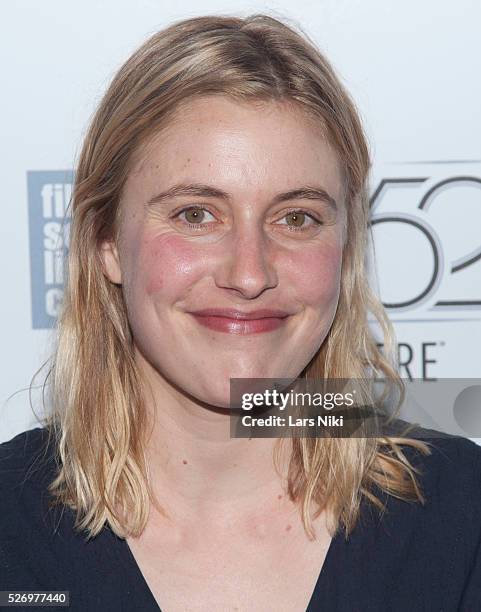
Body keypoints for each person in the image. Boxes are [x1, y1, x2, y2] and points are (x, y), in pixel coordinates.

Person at [1, 13, 480, 612]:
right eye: (196, 215)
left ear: (346, 247)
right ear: (106, 242)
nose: (249, 274)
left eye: (297, 217)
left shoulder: (463, 513)